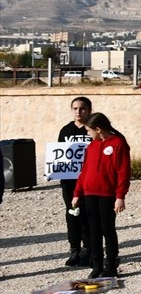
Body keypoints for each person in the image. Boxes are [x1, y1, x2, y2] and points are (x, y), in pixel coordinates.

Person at [70, 113, 130, 279]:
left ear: (98, 129)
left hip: (107, 194)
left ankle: (111, 264)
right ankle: (96, 264)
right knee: (93, 230)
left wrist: (120, 196)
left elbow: (123, 172)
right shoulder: (92, 146)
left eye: (89, 131)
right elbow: (84, 171)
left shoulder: (118, 143)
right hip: (90, 193)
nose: (88, 134)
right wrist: (77, 193)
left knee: (107, 228)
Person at [56, 96, 93, 267]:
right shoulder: (65, 131)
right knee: (72, 214)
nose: (79, 112)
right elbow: (60, 155)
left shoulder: (94, 129)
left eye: (82, 108)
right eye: (75, 108)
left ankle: (89, 249)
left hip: (90, 180)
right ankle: (74, 249)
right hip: (70, 181)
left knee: (88, 215)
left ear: (89, 110)